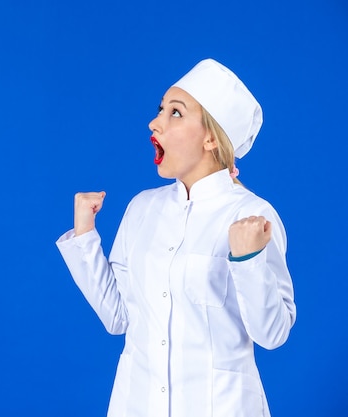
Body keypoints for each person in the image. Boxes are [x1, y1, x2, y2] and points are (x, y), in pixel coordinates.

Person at [55, 59, 296, 417]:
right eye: (160, 110)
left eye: (176, 113)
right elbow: (118, 317)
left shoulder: (251, 215)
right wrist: (85, 236)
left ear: (212, 137)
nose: (155, 122)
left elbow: (272, 333)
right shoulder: (142, 209)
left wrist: (248, 260)